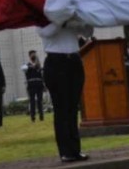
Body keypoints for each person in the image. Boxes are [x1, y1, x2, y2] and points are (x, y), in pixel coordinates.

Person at [38, 18, 93, 163]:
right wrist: (64, 20)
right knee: (61, 109)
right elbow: (47, 31)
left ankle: (75, 150)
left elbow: (88, 32)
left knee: (73, 108)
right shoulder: (40, 17)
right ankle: (65, 151)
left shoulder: (69, 17)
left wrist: (85, 18)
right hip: (56, 62)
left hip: (74, 60)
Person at [22, 50, 46, 122]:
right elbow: (25, 70)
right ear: (29, 56)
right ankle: (33, 117)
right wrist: (33, 66)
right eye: (32, 55)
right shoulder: (27, 65)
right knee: (32, 101)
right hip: (31, 85)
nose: (34, 56)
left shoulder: (39, 65)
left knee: (40, 101)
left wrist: (44, 84)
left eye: (35, 54)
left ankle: (41, 116)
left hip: (39, 84)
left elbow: (42, 75)